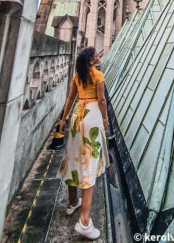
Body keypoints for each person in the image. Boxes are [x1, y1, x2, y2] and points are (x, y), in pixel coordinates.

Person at [57, 47, 110, 240]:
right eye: (96, 55)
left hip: (76, 118)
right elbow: (102, 101)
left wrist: (63, 120)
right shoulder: (98, 75)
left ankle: (72, 202)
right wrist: (105, 121)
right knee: (89, 163)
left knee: (73, 160)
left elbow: (70, 98)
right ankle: (85, 221)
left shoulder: (77, 75)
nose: (98, 57)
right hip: (92, 118)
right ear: (90, 60)